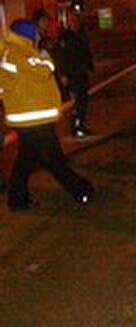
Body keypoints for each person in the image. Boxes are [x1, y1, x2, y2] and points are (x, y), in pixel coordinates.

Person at [0, 19, 93, 211]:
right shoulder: (17, 53)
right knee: (53, 158)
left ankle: (17, 199)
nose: (39, 36)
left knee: (26, 160)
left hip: (32, 115)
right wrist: (45, 55)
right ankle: (81, 190)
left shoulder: (17, 52)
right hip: (31, 117)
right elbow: (43, 71)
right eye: (37, 33)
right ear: (26, 34)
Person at [55, 12, 94, 137]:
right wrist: (63, 74)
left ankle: (81, 124)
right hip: (71, 75)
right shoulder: (65, 37)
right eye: (71, 20)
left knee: (83, 101)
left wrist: (90, 67)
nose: (74, 23)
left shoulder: (81, 35)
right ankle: (76, 127)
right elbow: (61, 57)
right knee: (75, 102)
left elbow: (86, 52)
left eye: (75, 20)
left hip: (81, 73)